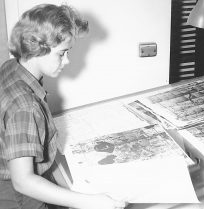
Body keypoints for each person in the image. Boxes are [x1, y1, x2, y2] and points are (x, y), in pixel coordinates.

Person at [0, 4, 126, 209]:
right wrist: (90, 202)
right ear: (38, 47)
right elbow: (23, 181)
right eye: (62, 53)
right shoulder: (25, 106)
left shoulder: (11, 67)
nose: (66, 61)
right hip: (19, 197)